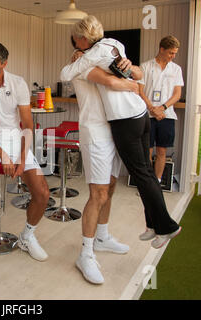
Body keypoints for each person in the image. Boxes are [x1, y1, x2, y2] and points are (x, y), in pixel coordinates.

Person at [60, 16, 181, 252]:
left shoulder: (92, 56)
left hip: (125, 119)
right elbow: (136, 75)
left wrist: (82, 59)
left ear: (82, 38)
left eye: (75, 39)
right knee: (145, 172)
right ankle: (152, 225)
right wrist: (132, 77)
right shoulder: (114, 44)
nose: (73, 43)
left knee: (141, 175)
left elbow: (66, 74)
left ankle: (166, 226)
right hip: (139, 114)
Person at [61, 37, 139, 284]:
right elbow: (116, 83)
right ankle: (85, 254)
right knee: (98, 194)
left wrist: (130, 69)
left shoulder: (102, 60)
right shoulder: (83, 65)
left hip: (114, 129)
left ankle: (103, 237)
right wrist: (134, 85)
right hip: (95, 133)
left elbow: (134, 72)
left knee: (111, 187)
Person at [0, 41, 50, 261]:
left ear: (4, 63)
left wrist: (22, 159)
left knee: (42, 194)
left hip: (15, 138)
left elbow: (28, 125)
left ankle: (27, 236)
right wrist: (3, 155)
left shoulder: (18, 84)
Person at [138, 36, 184, 188]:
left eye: (175, 53)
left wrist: (162, 108)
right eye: (171, 53)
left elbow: (177, 94)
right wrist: (152, 108)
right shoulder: (145, 67)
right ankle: (147, 185)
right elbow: (140, 91)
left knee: (162, 151)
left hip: (167, 115)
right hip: (148, 114)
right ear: (161, 49)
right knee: (147, 152)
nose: (173, 56)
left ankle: (156, 184)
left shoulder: (176, 69)